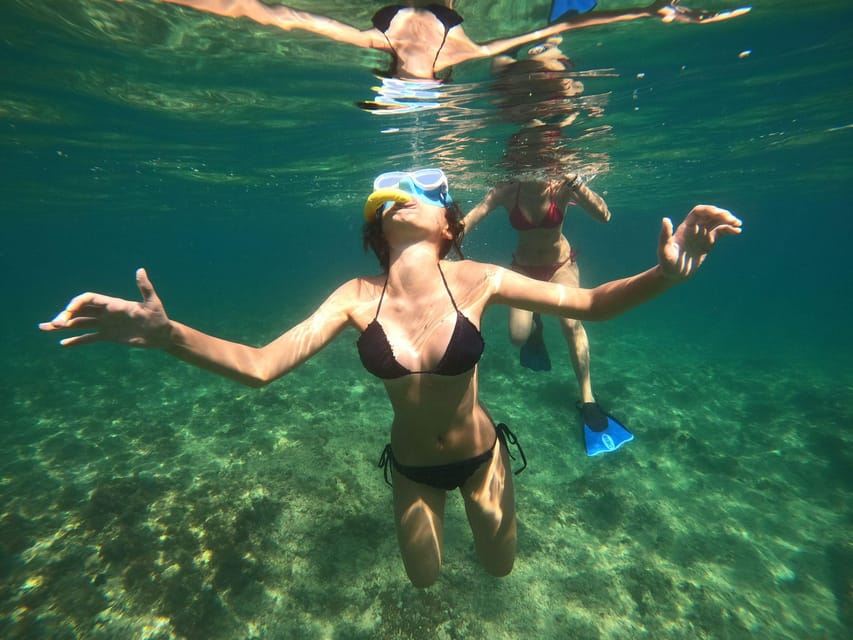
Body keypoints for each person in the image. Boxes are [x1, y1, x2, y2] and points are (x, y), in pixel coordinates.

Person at [40, 168, 742, 587]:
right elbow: (259, 367)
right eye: (390, 192)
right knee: (424, 578)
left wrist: (664, 274)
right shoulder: (352, 294)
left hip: (480, 457)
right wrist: (168, 337)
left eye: (425, 189)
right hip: (410, 468)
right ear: (377, 224)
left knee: (499, 571)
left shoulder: (478, 276)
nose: (404, 194)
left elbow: (591, 304)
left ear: (448, 222)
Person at [462, 129, 624, 455]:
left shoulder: (562, 188)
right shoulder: (509, 191)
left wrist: (577, 182)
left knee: (570, 323)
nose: (535, 163)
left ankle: (588, 398)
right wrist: (445, 238)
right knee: (518, 337)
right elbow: (475, 215)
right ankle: (535, 326)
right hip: (523, 269)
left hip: (560, 266)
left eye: (542, 156)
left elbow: (605, 216)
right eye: (527, 157)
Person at [153, 1, 750, 82]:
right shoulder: (457, 51)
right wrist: (649, 9)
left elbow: (275, 16)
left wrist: (649, 11)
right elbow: (271, 15)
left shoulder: (377, 42)